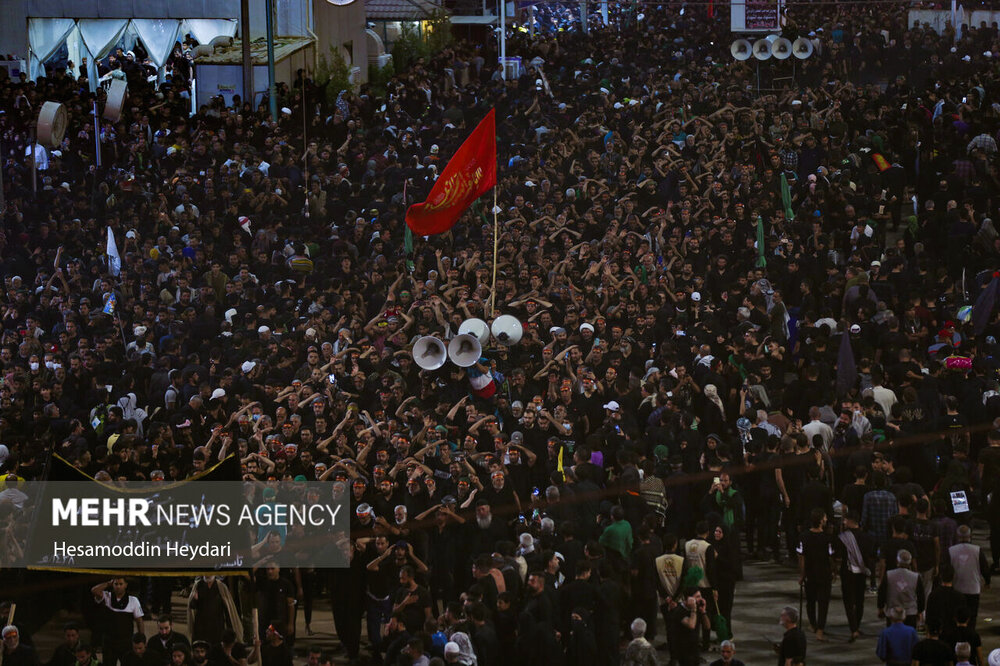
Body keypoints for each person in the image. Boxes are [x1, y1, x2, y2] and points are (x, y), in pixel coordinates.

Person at [797, 507, 833, 641]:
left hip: (810, 573)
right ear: (820, 521)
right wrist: (833, 571)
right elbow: (830, 556)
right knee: (823, 603)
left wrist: (802, 574)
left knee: (810, 601)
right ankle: (820, 629)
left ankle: (813, 624)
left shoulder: (804, 536)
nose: (826, 520)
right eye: (824, 518)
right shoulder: (826, 538)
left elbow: (801, 557)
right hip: (824, 573)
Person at [90, 579, 144, 666]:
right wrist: (108, 583)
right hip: (109, 641)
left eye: (121, 584)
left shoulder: (133, 600)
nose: (118, 586)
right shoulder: (107, 597)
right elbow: (94, 590)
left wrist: (142, 639)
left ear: (126, 585)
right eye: (116, 584)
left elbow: (139, 621)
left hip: (126, 642)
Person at [949, 525, 991, 628]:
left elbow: (947, 569)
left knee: (957, 615)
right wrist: (987, 581)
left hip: (957, 588)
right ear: (970, 536)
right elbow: (985, 568)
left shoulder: (951, 550)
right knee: (972, 616)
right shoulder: (977, 550)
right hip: (973, 588)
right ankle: (970, 634)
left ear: (958, 536)